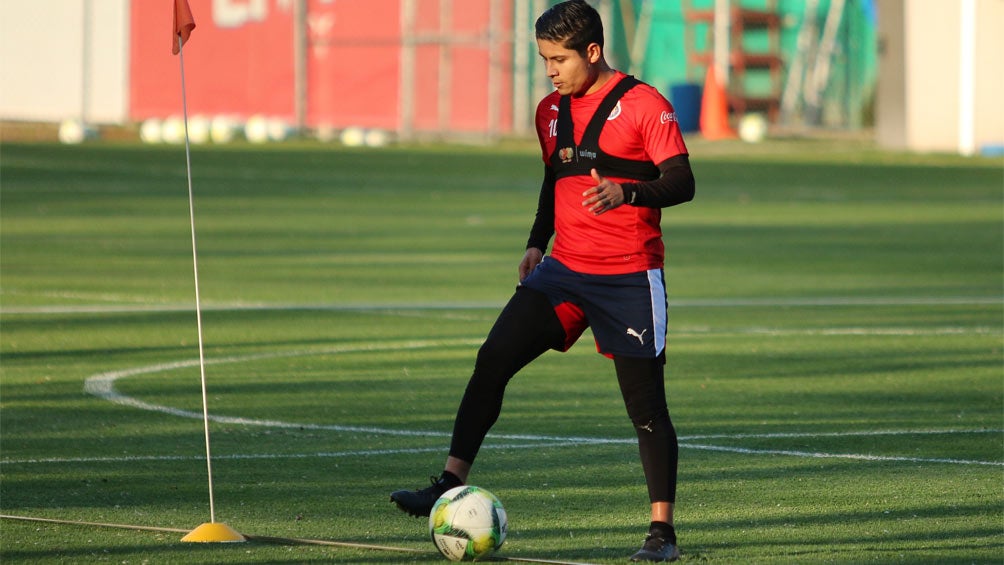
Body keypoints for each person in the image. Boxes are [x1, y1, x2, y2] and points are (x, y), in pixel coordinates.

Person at [390, 0, 695, 561]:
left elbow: (682, 181)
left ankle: (662, 534)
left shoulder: (644, 105)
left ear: (594, 51)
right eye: (544, 59)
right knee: (494, 357)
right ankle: (449, 482)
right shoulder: (549, 111)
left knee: (646, 409)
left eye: (559, 59)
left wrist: (627, 192)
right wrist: (536, 241)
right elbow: (555, 180)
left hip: (628, 276)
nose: (550, 70)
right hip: (562, 271)